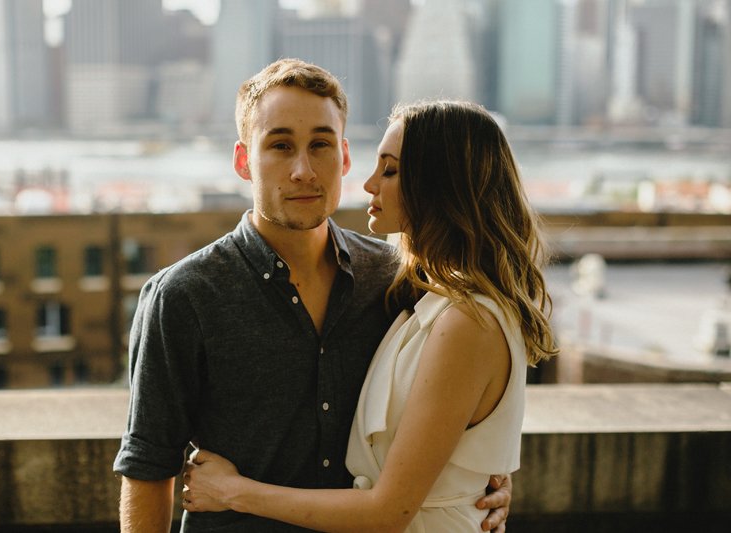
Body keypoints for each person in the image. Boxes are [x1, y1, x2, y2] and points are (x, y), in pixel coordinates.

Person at [113, 59, 512, 532]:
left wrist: (480, 484)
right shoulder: (183, 296)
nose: (303, 170)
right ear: (244, 161)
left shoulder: (396, 277)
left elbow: (459, 399)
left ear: (343, 156)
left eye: (320, 144)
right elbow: (148, 466)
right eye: (280, 146)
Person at [181, 99, 558, 532]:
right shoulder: (422, 293)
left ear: (442, 183)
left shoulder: (467, 320)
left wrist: (231, 491)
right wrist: (474, 475)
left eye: (391, 170)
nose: (369, 183)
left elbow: (386, 512)